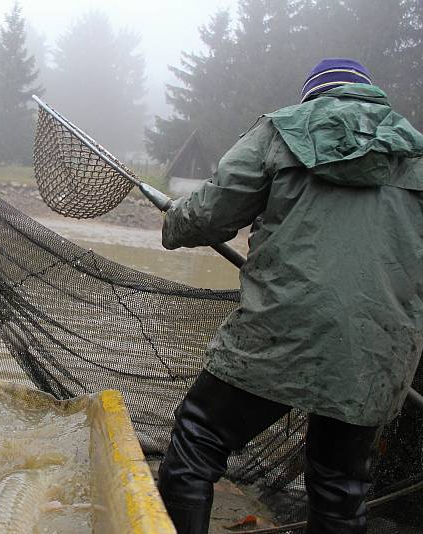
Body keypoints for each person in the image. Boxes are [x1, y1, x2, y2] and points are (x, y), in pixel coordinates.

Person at [156, 58, 423, 534]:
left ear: (313, 97)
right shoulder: (417, 152)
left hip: (280, 331)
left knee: (197, 443)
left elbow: (210, 215)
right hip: (377, 351)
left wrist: (174, 220)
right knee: (341, 488)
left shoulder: (282, 130)